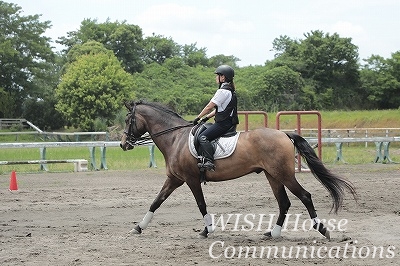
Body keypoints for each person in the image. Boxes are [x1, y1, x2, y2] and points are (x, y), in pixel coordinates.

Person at [193, 64, 239, 171]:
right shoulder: (230, 91)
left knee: (202, 137)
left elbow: (210, 106)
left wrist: (198, 117)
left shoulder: (222, 91)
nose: (216, 78)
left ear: (223, 77)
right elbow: (220, 110)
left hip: (223, 124)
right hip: (229, 122)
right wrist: (205, 118)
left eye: (217, 75)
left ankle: (209, 161)